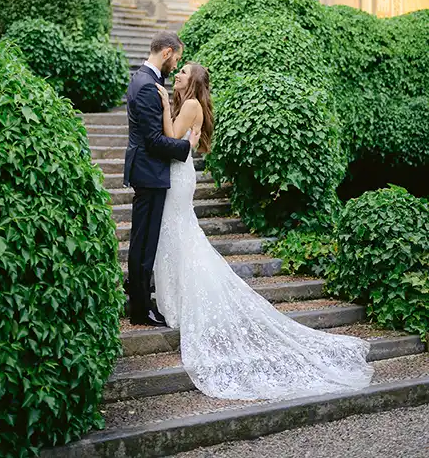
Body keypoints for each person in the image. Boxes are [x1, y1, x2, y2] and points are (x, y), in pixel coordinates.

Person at [153, 62, 374, 401]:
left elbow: (170, 137)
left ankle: (186, 304)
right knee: (178, 239)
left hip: (178, 180)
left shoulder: (192, 104)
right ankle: (178, 303)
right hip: (177, 175)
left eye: (183, 71)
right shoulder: (188, 105)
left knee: (182, 238)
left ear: (193, 81)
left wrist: (166, 107)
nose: (178, 74)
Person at [124, 31, 200, 326]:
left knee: (145, 242)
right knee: (143, 244)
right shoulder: (146, 85)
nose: (176, 65)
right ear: (167, 52)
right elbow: (154, 140)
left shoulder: (146, 79)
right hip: (149, 171)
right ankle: (141, 310)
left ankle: (141, 303)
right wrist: (186, 147)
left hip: (150, 171)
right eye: (177, 58)